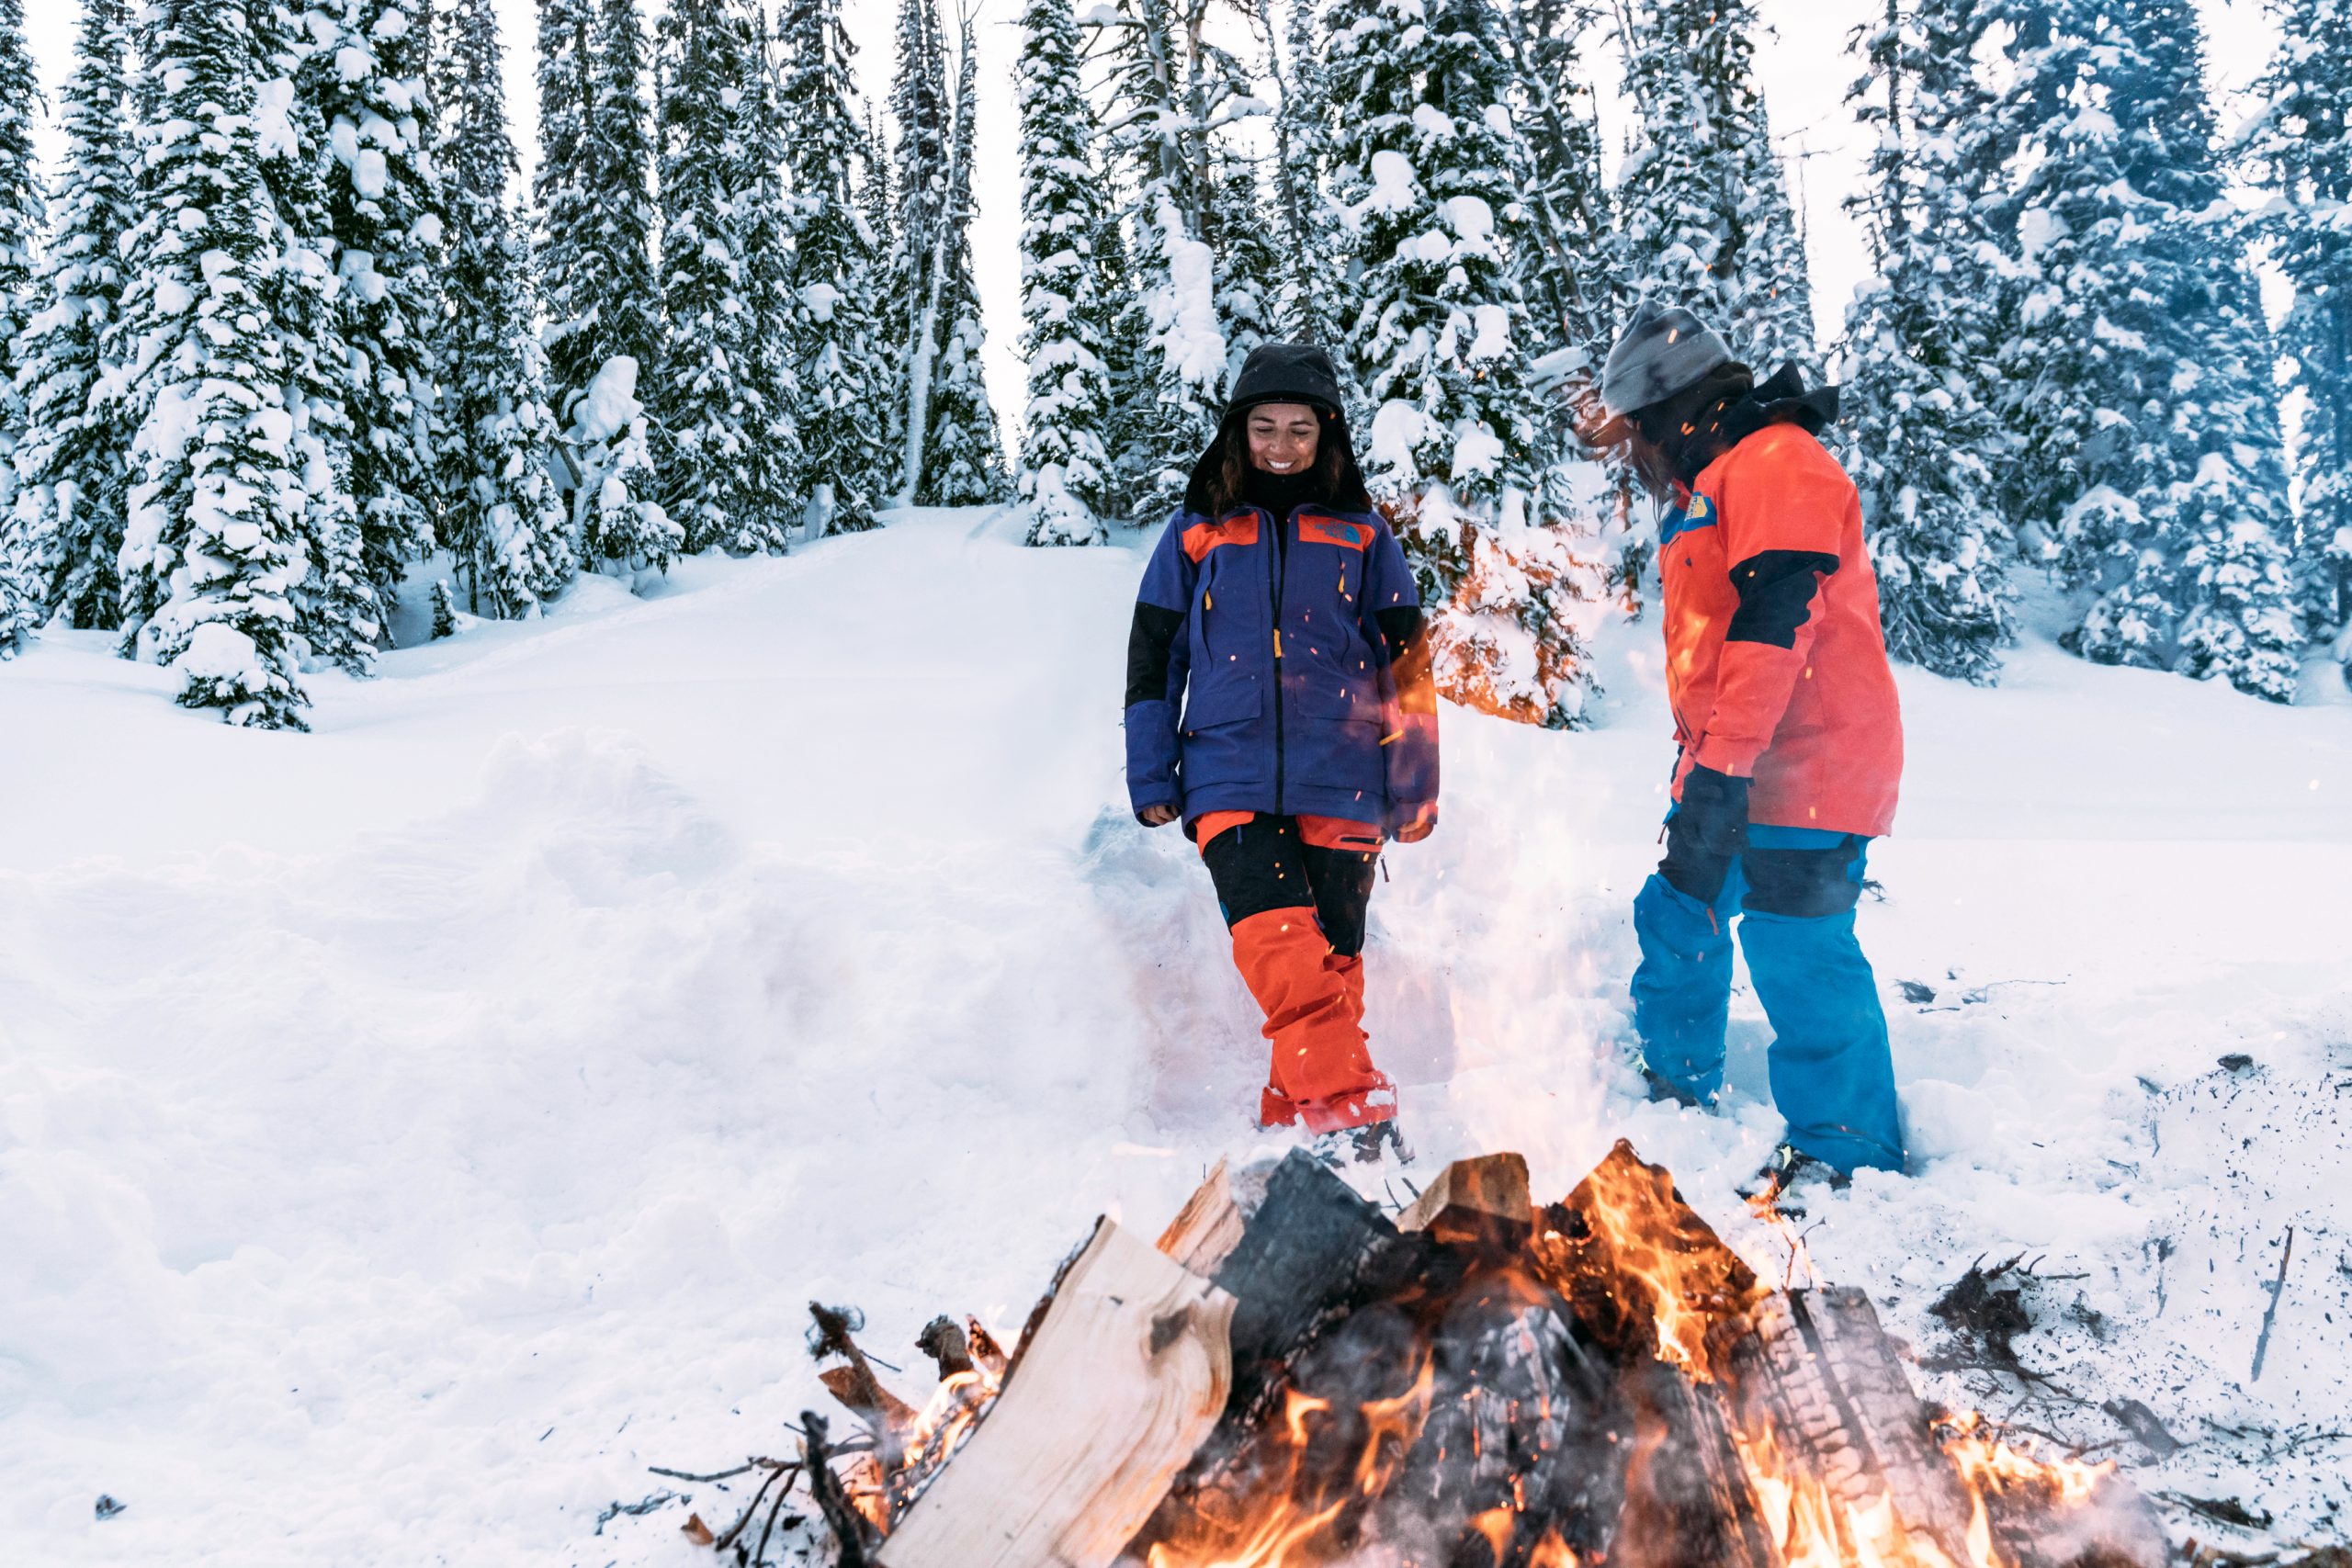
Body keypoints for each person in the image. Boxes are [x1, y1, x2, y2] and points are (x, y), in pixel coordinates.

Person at [1589, 299, 1907, 1194]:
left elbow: (1779, 617)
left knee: (1795, 943)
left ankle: (1846, 1151)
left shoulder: (1776, 460)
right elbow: (1711, 657)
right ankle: (1673, 1087)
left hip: (1811, 762)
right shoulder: (1707, 491)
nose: (1636, 456)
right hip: (1731, 758)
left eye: (1637, 435)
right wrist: (1703, 773)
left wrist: (1723, 767)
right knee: (1677, 910)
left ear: (1672, 413)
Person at [1123, 342, 1440, 1165]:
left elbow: (1407, 661)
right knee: (1279, 946)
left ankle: (1293, 1119)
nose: (1281, 446)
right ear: (1238, 431)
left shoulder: (1364, 533)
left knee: (1332, 959)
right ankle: (1350, 1114)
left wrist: (1414, 779)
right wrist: (1152, 769)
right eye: (1264, 427)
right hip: (1226, 772)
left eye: (1299, 429)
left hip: (1344, 775)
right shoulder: (1196, 531)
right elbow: (1154, 656)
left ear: (1325, 435)